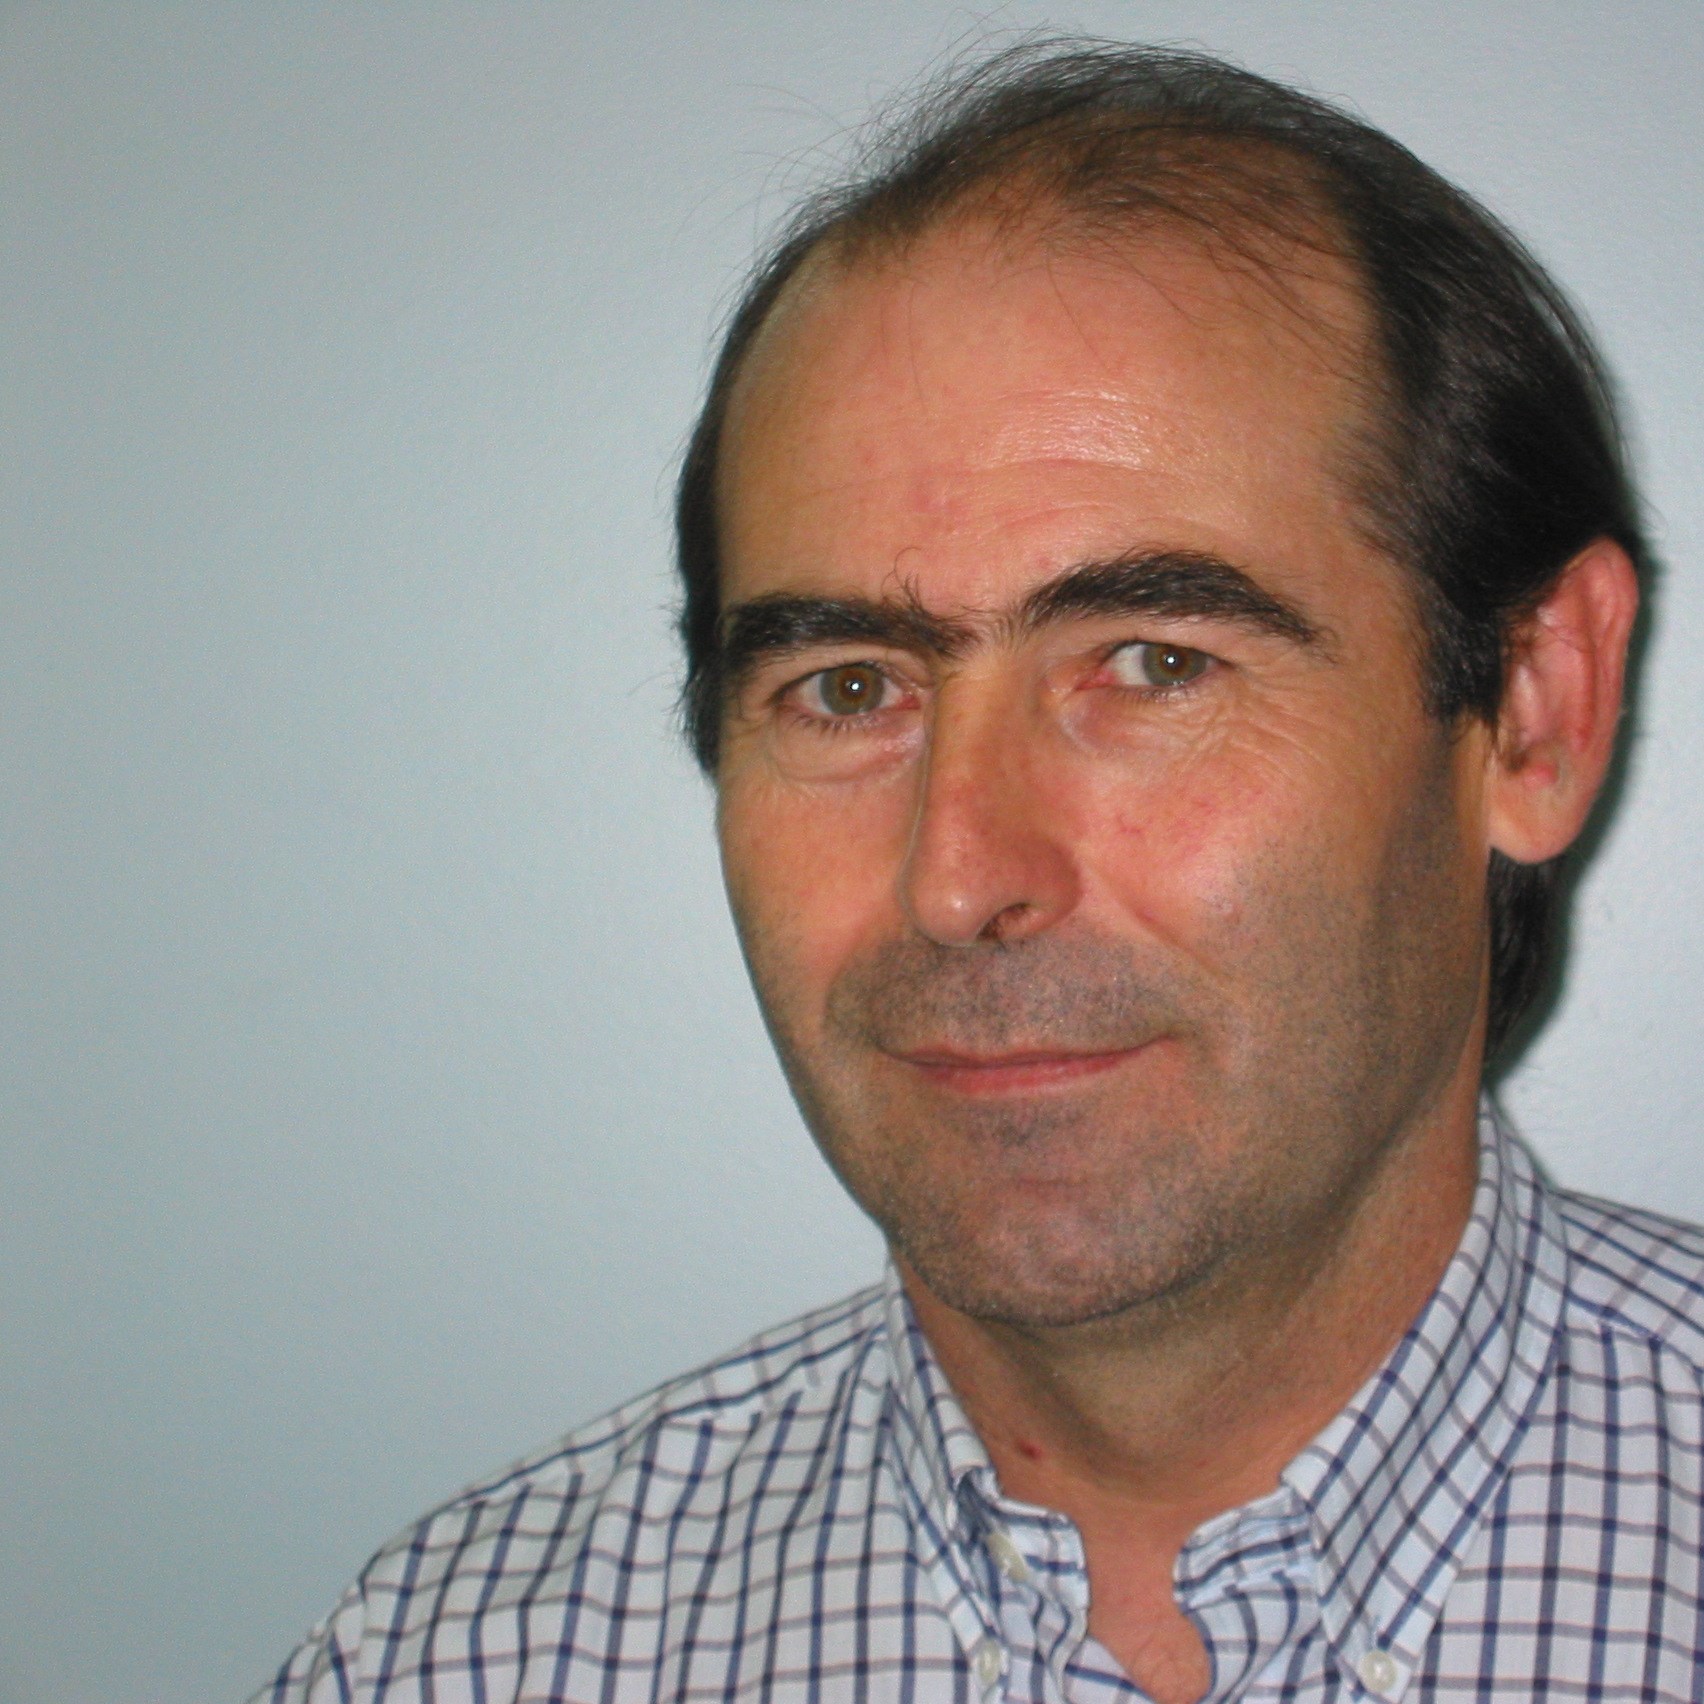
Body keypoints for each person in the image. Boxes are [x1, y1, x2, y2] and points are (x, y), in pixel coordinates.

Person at [257, 40, 1702, 1704]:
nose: (958, 879)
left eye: (1154, 665)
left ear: (1534, 710)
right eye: (846, 690)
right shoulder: (459, 1661)